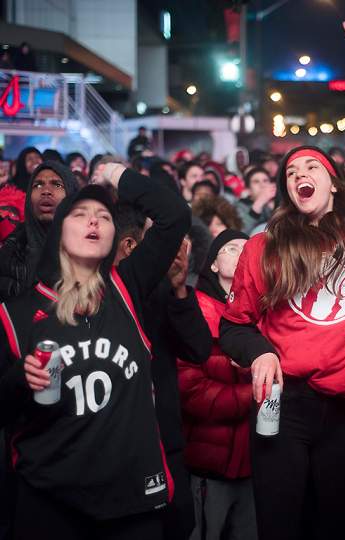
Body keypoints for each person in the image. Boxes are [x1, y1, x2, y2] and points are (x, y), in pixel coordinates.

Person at [219, 14, 345, 539]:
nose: (300, 175)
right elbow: (233, 326)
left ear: (333, 183)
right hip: (285, 403)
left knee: (341, 525)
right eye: (291, 173)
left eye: (311, 167)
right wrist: (259, 352)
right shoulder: (264, 247)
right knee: (282, 524)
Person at [0, 162, 190, 539]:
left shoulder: (127, 287)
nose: (94, 221)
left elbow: (174, 215)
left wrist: (114, 173)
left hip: (130, 501)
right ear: (59, 230)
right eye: (81, 214)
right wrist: (19, 378)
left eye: (104, 217)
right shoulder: (16, 313)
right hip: (51, 502)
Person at [113, 203, 212, 540]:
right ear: (130, 246)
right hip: (116, 445)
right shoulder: (96, 296)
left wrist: (179, 289)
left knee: (178, 525)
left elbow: (198, 349)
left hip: (164, 442)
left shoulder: (163, 289)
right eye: (154, 240)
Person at [178, 229, 257, 540]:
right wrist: (255, 394)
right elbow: (191, 390)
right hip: (208, 465)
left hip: (253, 465)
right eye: (232, 248)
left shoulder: (262, 312)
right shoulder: (194, 310)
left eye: (248, 249)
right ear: (212, 263)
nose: (242, 253)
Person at [0, 161, 79, 302]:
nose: (46, 191)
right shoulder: (11, 251)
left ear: (72, 193)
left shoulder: (87, 251)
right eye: (38, 185)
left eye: (57, 185)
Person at [233, 167, 276, 236]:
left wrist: (274, 207)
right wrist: (259, 202)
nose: (262, 185)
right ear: (248, 190)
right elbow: (241, 233)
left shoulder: (277, 202)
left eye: (265, 181)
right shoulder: (240, 206)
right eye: (256, 182)